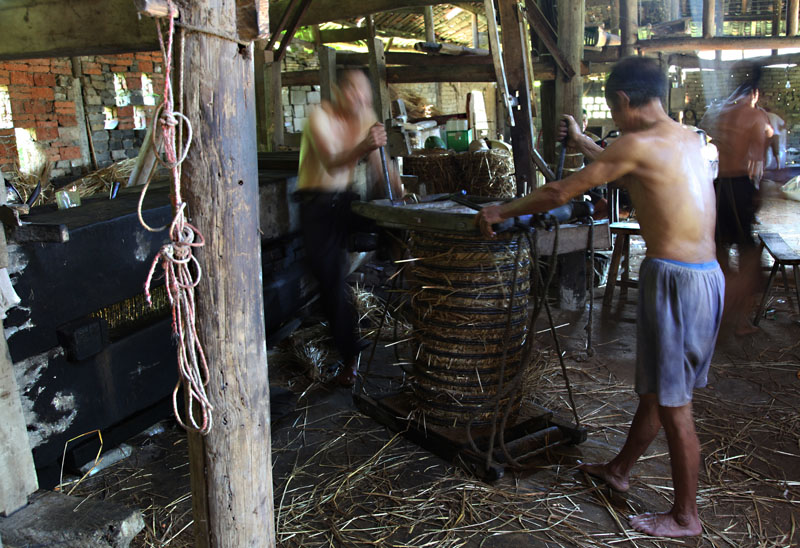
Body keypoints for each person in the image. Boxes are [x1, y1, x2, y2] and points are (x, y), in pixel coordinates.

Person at [475, 56, 724, 538]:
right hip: (705, 276)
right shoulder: (686, 137)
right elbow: (627, 168)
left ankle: (685, 517)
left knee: (675, 405)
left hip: (676, 280)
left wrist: (499, 211)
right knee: (657, 391)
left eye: (613, 109)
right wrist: (587, 143)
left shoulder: (634, 142)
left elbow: (559, 192)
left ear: (623, 101)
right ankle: (619, 471)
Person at [295, 69, 402, 386]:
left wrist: (399, 196)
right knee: (331, 283)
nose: (360, 98)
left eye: (365, 93)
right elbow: (331, 162)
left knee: (392, 222)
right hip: (316, 206)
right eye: (354, 91)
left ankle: (400, 271)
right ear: (337, 90)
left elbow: (381, 164)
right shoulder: (319, 116)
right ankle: (349, 357)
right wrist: (364, 145)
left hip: (345, 201)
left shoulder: (364, 114)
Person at [699, 65, 773, 335]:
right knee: (749, 255)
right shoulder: (756, 117)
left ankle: (717, 310)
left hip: (718, 187)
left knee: (719, 249)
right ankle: (738, 319)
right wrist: (758, 194)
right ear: (754, 91)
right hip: (740, 186)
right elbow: (760, 165)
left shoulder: (722, 114)